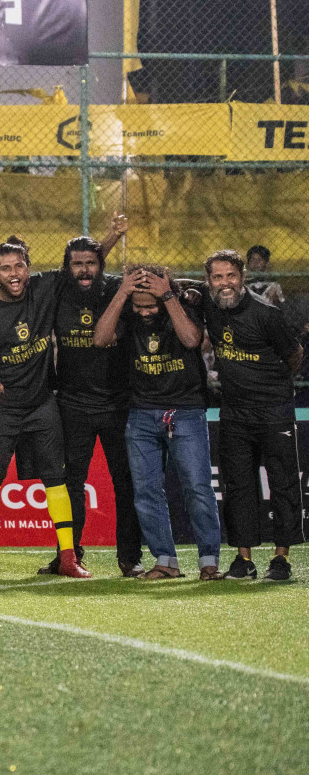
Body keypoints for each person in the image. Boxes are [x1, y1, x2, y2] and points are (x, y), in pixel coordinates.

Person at [0, 242, 90, 580]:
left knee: (56, 479)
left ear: (28, 267)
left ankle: (68, 558)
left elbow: (83, 265)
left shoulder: (44, 288)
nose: (14, 274)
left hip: (42, 405)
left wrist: (110, 235)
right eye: (6, 269)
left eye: (19, 266)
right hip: (2, 408)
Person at [93, 266, 221, 580]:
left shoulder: (184, 306)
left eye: (151, 305)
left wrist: (168, 296)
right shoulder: (127, 315)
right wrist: (123, 292)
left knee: (197, 488)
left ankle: (209, 563)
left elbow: (191, 340)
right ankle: (165, 561)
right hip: (140, 413)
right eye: (139, 306)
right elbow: (100, 339)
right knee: (147, 491)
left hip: (186, 410)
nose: (146, 311)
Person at [50, 219, 144, 578]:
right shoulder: (58, 289)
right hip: (72, 405)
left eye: (91, 263)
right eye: (77, 263)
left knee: (126, 483)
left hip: (119, 404)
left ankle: (130, 558)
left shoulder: (116, 289)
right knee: (70, 484)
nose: (85, 269)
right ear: (67, 267)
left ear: (100, 264)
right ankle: (68, 556)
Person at [200, 250, 302, 582]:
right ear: (209, 281)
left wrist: (269, 385)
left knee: (283, 482)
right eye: (217, 277)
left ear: (242, 277)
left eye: (230, 275)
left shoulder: (267, 314)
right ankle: (243, 560)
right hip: (234, 413)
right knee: (238, 486)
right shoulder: (209, 308)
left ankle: (281, 558)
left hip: (274, 411)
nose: (225, 283)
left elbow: (294, 355)